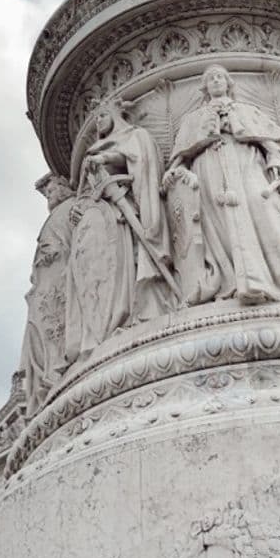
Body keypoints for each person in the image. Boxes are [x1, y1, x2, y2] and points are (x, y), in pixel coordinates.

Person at [162, 64, 280, 305]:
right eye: (211, 79)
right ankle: (234, 282)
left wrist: (276, 159)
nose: (216, 81)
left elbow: (271, 142)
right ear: (205, 88)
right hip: (210, 169)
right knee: (223, 225)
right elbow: (181, 156)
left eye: (220, 77)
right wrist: (174, 173)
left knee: (265, 210)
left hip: (248, 163)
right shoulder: (194, 119)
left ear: (229, 83)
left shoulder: (246, 110)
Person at [64, 103, 172, 364]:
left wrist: (106, 158)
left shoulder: (133, 136)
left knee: (124, 262)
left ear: (114, 115)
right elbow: (82, 193)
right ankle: (100, 331)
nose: (97, 123)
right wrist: (77, 209)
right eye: (94, 119)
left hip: (122, 213)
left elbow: (137, 158)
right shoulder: (92, 153)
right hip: (99, 218)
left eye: (102, 116)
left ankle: (132, 311)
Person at [20, 174, 75, 418]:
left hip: (59, 280)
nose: (48, 197)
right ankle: (47, 378)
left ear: (64, 189)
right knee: (39, 335)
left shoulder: (71, 210)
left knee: (53, 330)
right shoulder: (58, 215)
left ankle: (56, 371)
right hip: (45, 286)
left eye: (51, 192)